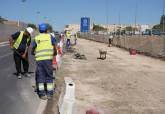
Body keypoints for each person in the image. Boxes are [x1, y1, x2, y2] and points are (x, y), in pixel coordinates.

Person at [31, 23, 57, 100]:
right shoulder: (50, 36)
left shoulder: (36, 38)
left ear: (39, 30)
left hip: (39, 61)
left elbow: (33, 48)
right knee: (49, 76)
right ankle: (49, 94)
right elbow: (54, 46)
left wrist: (32, 52)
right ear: (46, 30)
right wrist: (55, 52)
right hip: (48, 60)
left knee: (40, 77)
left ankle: (42, 94)